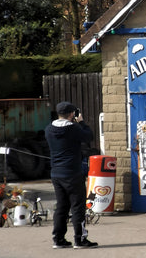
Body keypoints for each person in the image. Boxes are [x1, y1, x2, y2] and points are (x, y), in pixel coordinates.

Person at [45, 101, 98, 249]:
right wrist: (82, 123)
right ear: (71, 114)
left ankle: (58, 239)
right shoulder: (74, 128)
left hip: (56, 173)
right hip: (73, 173)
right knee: (77, 207)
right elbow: (88, 137)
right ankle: (80, 239)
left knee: (61, 206)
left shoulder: (49, 129)